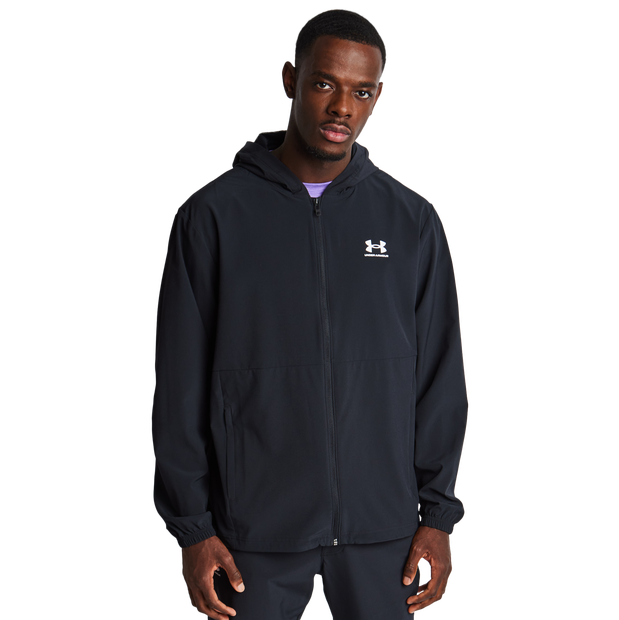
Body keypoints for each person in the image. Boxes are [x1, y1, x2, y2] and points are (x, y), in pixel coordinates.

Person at [150, 8, 469, 619]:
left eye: (362, 91)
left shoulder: (410, 222)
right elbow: (180, 386)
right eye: (324, 83)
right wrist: (193, 529)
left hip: (383, 528)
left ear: (378, 97)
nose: (342, 107)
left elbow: (439, 379)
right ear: (290, 79)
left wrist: (437, 515)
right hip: (251, 530)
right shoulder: (213, 218)